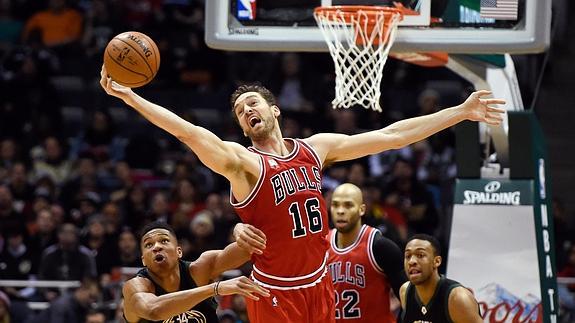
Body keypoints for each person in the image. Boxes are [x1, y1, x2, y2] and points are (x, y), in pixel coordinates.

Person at [100, 66, 505, 322]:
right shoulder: (244, 164)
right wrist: (130, 96)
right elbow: (187, 132)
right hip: (275, 293)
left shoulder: (316, 147)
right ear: (242, 128)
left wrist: (460, 112)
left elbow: (391, 135)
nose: (247, 112)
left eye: (252, 104)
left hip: (320, 283)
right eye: (241, 112)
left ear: (274, 110)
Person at [121, 221, 269, 323]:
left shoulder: (199, 270)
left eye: (164, 241)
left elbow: (255, 246)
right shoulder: (135, 286)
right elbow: (153, 310)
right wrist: (215, 288)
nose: (156, 247)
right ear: (143, 260)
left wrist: (242, 230)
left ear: (179, 251)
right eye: (148, 245)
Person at [327, 183, 406, 322]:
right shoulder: (321, 246)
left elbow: (409, 300)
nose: (340, 211)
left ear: (362, 209)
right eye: (335, 205)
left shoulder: (379, 246)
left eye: (348, 205)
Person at [400, 234, 482, 323]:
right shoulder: (405, 292)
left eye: (420, 255)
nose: (412, 261)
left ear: (437, 261)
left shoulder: (458, 298)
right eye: (408, 256)